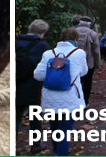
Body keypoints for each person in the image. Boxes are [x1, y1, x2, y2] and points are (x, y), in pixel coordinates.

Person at [34, 27, 88, 156]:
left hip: (50, 97)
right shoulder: (79, 53)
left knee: (54, 128)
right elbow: (84, 71)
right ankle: (61, 154)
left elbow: (38, 75)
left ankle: (57, 152)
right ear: (76, 39)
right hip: (69, 98)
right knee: (65, 130)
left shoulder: (48, 54)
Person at [15, 19, 51, 154]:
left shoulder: (16, 41)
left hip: (17, 84)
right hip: (34, 86)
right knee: (35, 117)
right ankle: (35, 145)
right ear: (42, 32)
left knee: (16, 115)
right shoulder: (43, 46)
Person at [72, 15, 100, 107]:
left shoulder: (73, 32)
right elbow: (96, 51)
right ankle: (85, 102)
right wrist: (97, 64)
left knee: (76, 81)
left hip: (74, 62)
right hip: (89, 63)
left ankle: (75, 100)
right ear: (89, 24)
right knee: (88, 82)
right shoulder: (93, 34)